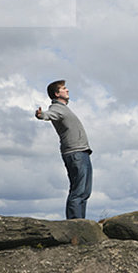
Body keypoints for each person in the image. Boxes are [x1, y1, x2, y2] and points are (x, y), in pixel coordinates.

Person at [35, 80, 92, 219]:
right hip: (75, 153)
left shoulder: (64, 108)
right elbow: (48, 115)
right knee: (78, 191)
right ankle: (75, 225)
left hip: (82, 152)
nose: (67, 90)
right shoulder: (57, 108)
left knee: (84, 192)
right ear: (56, 93)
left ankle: (81, 223)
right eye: (64, 88)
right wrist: (41, 115)